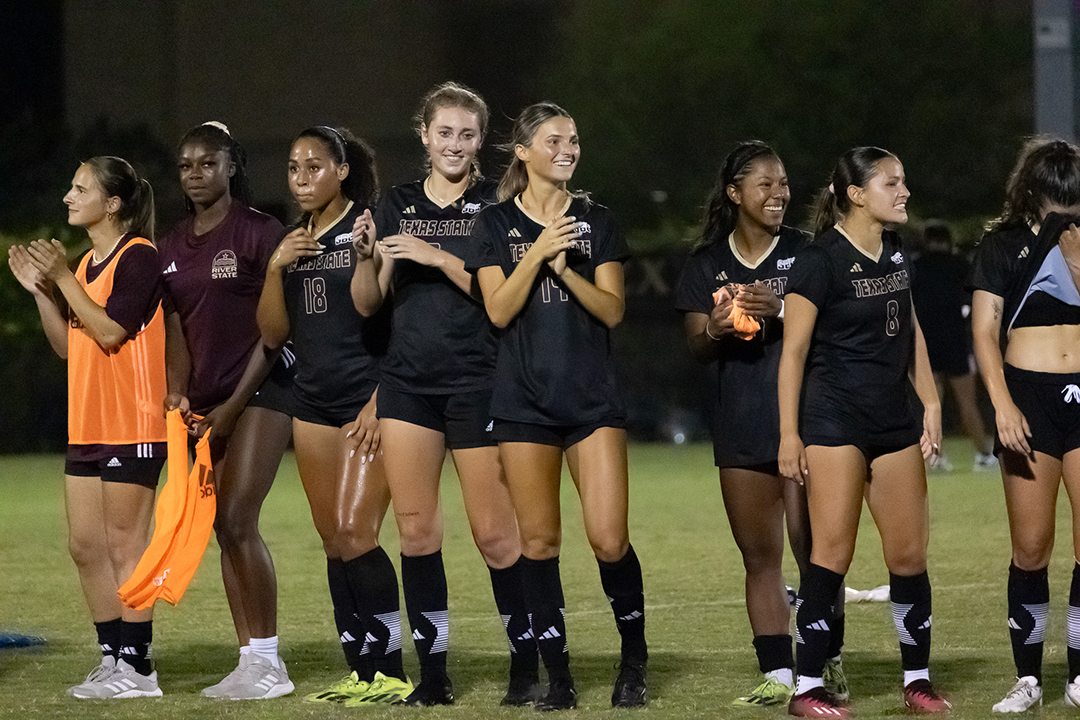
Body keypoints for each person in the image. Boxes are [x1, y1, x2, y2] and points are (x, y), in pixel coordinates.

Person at [350, 82, 536, 706]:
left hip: (480, 381)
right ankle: (433, 676)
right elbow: (369, 302)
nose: (454, 144)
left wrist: (433, 255)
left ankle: (525, 664)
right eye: (444, 132)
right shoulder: (396, 201)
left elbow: (500, 295)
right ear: (424, 136)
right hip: (407, 384)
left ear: (481, 141)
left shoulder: (498, 203)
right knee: (415, 530)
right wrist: (363, 259)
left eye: (466, 133)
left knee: (494, 534)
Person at [465, 102, 647, 711]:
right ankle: (559, 677)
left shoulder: (597, 221)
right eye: (554, 140)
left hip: (591, 403)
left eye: (573, 139)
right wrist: (539, 251)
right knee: (538, 545)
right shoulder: (493, 224)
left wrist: (567, 271)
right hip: (522, 405)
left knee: (608, 539)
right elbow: (497, 310)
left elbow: (614, 311)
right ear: (522, 152)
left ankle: (634, 662)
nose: (568, 148)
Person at [675, 141, 848, 707]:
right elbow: (697, 347)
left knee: (814, 550)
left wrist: (784, 309)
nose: (779, 194)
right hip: (741, 421)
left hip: (807, 421)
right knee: (759, 556)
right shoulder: (706, 263)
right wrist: (718, 329)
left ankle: (825, 662)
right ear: (735, 193)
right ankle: (777, 670)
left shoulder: (809, 253)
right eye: (765, 185)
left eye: (783, 184)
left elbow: (832, 330)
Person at [777, 147, 949, 717]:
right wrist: (788, 434)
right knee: (831, 554)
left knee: (908, 556)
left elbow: (912, 330)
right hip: (834, 421)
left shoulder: (896, 254)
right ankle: (807, 688)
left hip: (893, 420)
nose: (904, 192)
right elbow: (793, 353)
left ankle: (917, 681)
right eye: (892, 183)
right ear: (856, 195)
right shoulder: (818, 260)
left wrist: (929, 399)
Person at [256, 126, 410, 705]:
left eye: (314, 166)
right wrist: (275, 267)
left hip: (367, 401)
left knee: (356, 532)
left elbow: (400, 323)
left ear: (342, 171)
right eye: (294, 168)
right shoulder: (294, 242)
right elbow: (273, 334)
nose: (301, 178)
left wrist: (381, 400)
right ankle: (360, 670)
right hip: (312, 406)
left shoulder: (369, 228)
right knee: (331, 539)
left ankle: (391, 669)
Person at [8, 157, 166, 698]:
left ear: (113, 204)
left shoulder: (138, 257)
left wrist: (60, 281)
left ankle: (138, 667)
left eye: (80, 189)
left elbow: (109, 332)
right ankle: (111, 657)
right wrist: (41, 293)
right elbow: (70, 349)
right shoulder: (85, 267)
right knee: (85, 546)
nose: (69, 197)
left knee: (127, 545)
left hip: (132, 422)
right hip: (88, 422)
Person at [158, 121, 295, 699]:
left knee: (238, 516)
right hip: (207, 404)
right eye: (186, 165)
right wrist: (180, 392)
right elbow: (178, 329)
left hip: (263, 390)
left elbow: (276, 334)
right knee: (222, 527)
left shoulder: (260, 232)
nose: (195, 174)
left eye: (206, 163)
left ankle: (270, 663)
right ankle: (249, 661)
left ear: (231, 166)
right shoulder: (169, 247)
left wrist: (234, 407)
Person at [968, 138, 1080, 713]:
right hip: (1028, 400)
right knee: (1031, 547)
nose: (1069, 207)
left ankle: (1078, 675)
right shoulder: (1002, 244)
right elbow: (985, 332)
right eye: (1060, 195)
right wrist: (1002, 404)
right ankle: (1029, 678)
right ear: (1034, 190)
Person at [910, 220, 996, 472]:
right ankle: (983, 456)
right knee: (968, 404)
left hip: (926, 343)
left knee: (930, 405)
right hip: (955, 341)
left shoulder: (914, 264)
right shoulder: (959, 264)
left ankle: (936, 458)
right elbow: (972, 299)